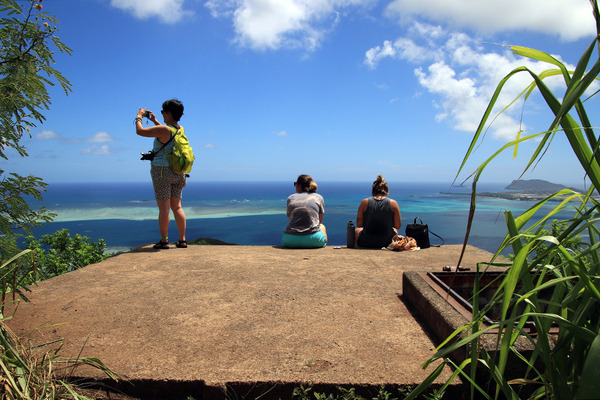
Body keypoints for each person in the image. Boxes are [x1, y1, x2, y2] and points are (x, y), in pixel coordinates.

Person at [135, 99, 188, 249]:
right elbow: (166, 132)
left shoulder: (165, 130)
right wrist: (155, 120)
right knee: (177, 207)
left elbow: (140, 131)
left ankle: (164, 240)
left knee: (164, 208)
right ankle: (182, 240)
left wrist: (139, 116)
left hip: (162, 172)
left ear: (168, 113)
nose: (162, 114)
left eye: (163, 112)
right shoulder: (179, 129)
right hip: (178, 172)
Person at [354, 175, 401, 248]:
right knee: (395, 230)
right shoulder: (393, 203)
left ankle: (359, 249)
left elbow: (359, 224)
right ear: (386, 190)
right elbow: (398, 225)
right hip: (387, 242)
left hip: (366, 241)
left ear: (373, 190)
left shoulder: (364, 202)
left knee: (357, 230)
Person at [282, 174, 327, 248]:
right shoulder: (318, 197)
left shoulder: (290, 198)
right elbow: (319, 221)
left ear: (299, 185)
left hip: (290, 240)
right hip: (313, 240)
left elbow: (290, 216)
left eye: (295, 184)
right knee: (322, 226)